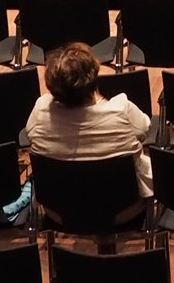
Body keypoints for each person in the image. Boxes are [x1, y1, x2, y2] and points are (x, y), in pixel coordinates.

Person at [25, 42, 153, 195]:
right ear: (93, 78)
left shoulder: (41, 110)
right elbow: (145, 129)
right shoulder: (121, 109)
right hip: (123, 206)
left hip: (61, 206)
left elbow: (30, 135)